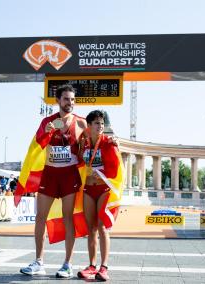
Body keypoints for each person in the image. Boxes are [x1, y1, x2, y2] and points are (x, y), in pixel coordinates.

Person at [17, 84, 87, 278]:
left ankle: (67, 264)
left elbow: (93, 143)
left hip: (69, 176)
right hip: (49, 174)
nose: (70, 103)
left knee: (67, 218)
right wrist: (46, 132)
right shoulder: (47, 121)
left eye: (72, 99)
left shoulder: (81, 123)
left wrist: (110, 141)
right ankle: (39, 261)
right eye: (66, 99)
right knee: (41, 217)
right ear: (58, 101)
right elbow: (36, 147)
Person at [77, 110, 123, 281]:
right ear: (89, 126)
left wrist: (101, 173)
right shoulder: (85, 143)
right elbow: (81, 163)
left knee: (102, 228)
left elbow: (115, 168)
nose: (100, 126)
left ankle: (104, 267)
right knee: (91, 229)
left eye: (102, 123)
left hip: (104, 189)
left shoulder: (108, 143)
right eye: (96, 123)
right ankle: (91, 265)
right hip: (88, 189)